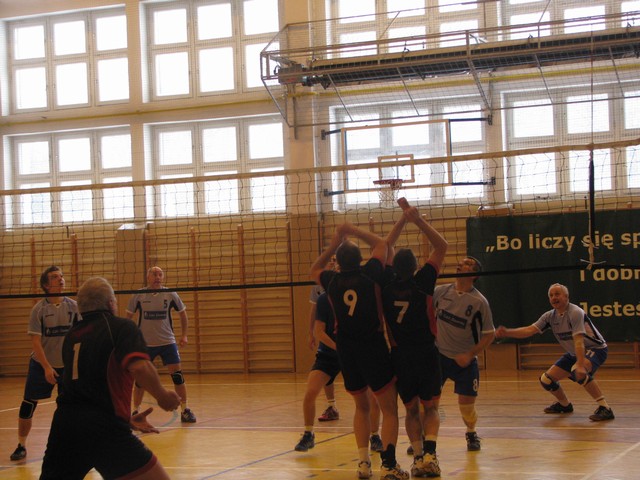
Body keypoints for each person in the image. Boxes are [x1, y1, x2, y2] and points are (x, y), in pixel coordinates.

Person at [39, 277, 181, 480]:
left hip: (65, 426)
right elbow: (140, 367)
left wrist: (126, 418)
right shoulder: (121, 328)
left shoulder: (72, 335)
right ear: (110, 303)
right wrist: (163, 397)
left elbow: (85, 387)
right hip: (105, 428)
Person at [311, 222, 408, 480]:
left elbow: (315, 269)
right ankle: (389, 466)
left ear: (339, 262)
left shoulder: (331, 280)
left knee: (361, 407)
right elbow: (382, 244)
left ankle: (364, 464)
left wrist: (333, 243)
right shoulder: (371, 273)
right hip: (372, 345)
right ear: (360, 259)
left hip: (346, 349)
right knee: (389, 409)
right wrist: (352, 230)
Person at [381, 199, 448, 477]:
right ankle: (430, 455)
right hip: (426, 352)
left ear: (393, 267)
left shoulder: (385, 284)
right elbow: (441, 246)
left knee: (410, 410)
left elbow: (385, 247)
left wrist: (401, 219)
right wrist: (417, 220)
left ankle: (418, 458)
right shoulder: (423, 282)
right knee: (430, 407)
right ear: (416, 266)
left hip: (400, 356)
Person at [495, 283, 614, 422]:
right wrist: (508, 332)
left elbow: (579, 341)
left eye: (557, 294)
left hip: (595, 349)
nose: (553, 297)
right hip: (574, 352)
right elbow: (529, 330)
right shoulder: (549, 316)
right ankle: (565, 405)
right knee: (546, 379)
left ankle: (605, 408)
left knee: (577, 371)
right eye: (551, 295)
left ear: (566, 296)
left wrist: (581, 364)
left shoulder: (575, 312)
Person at [295, 287, 384, 453]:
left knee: (372, 397)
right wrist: (338, 347)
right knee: (310, 392)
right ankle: (308, 434)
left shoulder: (356, 297)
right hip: (329, 353)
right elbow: (319, 332)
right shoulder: (323, 300)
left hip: (354, 354)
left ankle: (375, 436)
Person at [10, 266, 80, 462]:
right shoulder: (39, 309)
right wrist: (47, 367)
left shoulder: (74, 306)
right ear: (46, 285)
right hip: (41, 364)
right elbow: (36, 342)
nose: (61, 279)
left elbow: (80, 336)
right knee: (28, 404)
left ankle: (74, 443)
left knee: (71, 406)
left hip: (67, 365)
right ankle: (21, 445)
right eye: (55, 277)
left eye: (61, 276)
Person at [433, 256, 495, 451]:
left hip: (465, 362)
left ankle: (471, 433)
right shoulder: (441, 292)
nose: (461, 264)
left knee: (467, 408)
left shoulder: (479, 302)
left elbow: (489, 335)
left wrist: (469, 354)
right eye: (461, 262)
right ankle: (426, 440)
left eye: (468, 263)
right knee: (430, 403)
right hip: (439, 356)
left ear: (474, 274)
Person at [126, 266, 196, 423]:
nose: (157, 277)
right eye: (154, 274)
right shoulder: (138, 295)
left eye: (160, 274)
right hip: (145, 344)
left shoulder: (170, 294)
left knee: (177, 376)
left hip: (167, 342)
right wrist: (128, 338)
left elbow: (183, 314)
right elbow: (128, 318)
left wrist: (184, 335)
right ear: (148, 277)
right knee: (140, 380)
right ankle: (135, 411)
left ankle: (185, 410)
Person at [308, 282, 340, 422]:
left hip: (348, 342)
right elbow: (314, 310)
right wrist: (311, 333)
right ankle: (331, 406)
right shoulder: (318, 287)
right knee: (325, 372)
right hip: (327, 338)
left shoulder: (346, 280)